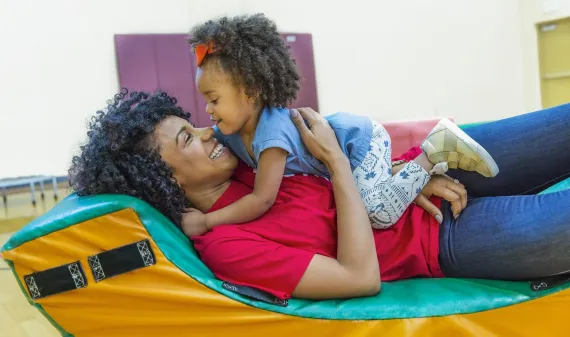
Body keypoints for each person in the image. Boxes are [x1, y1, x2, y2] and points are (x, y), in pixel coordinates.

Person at [69, 89, 570, 301]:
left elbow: (354, 156)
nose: (206, 132)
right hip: (440, 242)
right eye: (187, 140)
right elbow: (359, 276)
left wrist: (412, 173)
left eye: (194, 125)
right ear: (167, 181)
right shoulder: (227, 247)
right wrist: (333, 160)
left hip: (428, 172)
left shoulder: (247, 156)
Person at [183, 14, 499, 233]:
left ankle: (434, 151)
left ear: (250, 92)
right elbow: (201, 135)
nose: (208, 111)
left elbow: (261, 199)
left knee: (377, 214)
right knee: (373, 199)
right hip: (352, 147)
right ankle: (415, 170)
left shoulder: (270, 136)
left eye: (214, 99)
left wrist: (209, 222)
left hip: (358, 142)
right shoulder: (232, 130)